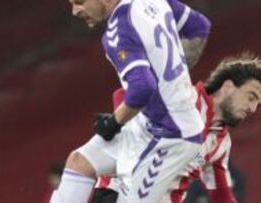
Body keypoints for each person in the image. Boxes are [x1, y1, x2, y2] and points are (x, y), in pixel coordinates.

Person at [50, 0, 211, 202]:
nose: (75, 11)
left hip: (172, 136)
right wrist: (174, 79)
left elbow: (142, 88)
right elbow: (199, 26)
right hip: (147, 123)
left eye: (79, 2)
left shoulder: (119, 29)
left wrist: (114, 122)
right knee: (80, 163)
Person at [91, 52, 261, 203]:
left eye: (258, 104)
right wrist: (123, 127)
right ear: (228, 86)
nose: (253, 108)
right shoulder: (181, 97)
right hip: (118, 194)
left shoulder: (221, 143)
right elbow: (125, 94)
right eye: (251, 97)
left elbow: (222, 194)